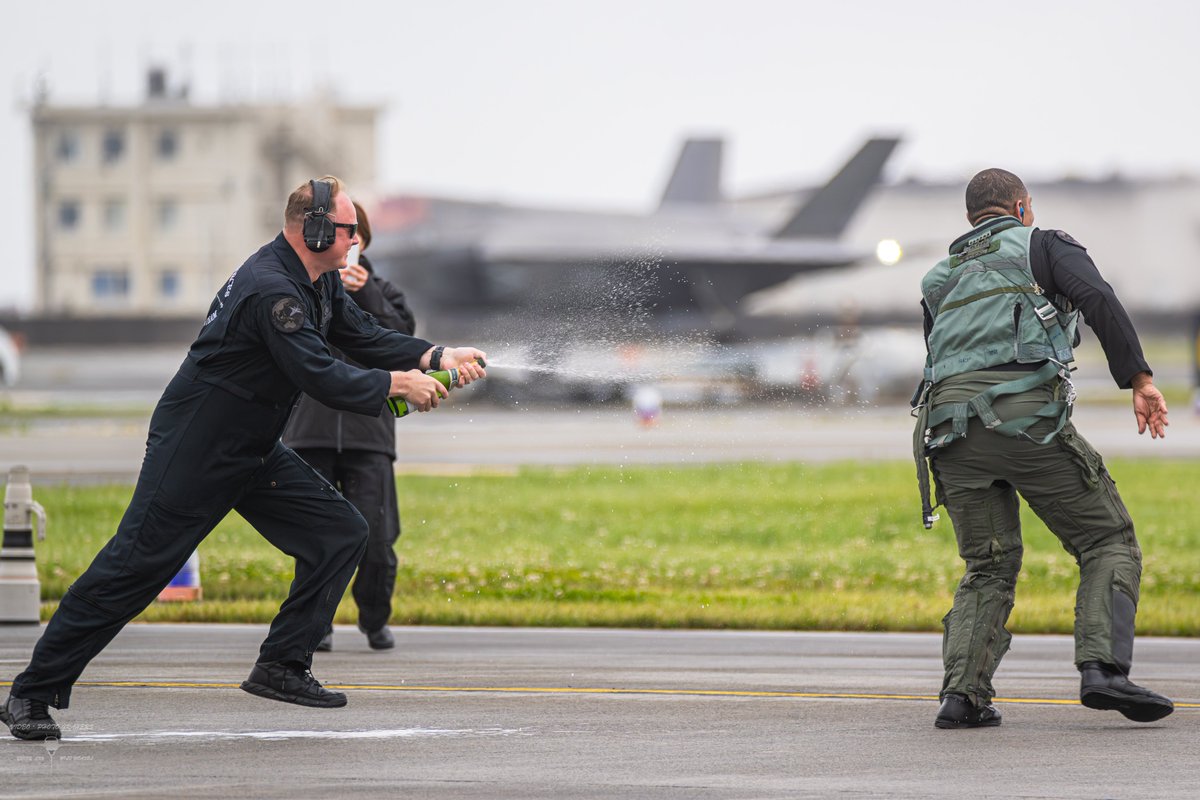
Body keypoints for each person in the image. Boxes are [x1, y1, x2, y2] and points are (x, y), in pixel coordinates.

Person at [0, 176, 486, 741]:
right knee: (133, 569)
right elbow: (317, 371)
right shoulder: (271, 289)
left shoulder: (317, 280)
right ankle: (31, 692)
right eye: (349, 230)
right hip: (199, 448)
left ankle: (282, 664)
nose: (356, 241)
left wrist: (436, 354)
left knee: (342, 533)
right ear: (318, 227)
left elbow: (360, 332)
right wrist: (396, 385)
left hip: (252, 445)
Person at [912, 168, 1173, 729]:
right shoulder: (1044, 245)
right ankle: (1103, 670)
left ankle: (961, 698)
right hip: (1023, 422)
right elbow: (1097, 298)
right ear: (1022, 206)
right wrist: (1139, 379)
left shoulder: (938, 278)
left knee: (987, 565)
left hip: (949, 434)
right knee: (1106, 539)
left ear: (969, 220)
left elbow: (944, 358)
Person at [283, 201, 413, 652]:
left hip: (369, 433)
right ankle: (316, 625)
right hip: (309, 429)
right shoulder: (299, 289)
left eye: (358, 237)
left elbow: (402, 340)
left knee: (377, 537)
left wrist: (367, 294)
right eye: (343, 235)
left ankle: (375, 618)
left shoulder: (384, 290)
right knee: (317, 536)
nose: (350, 246)